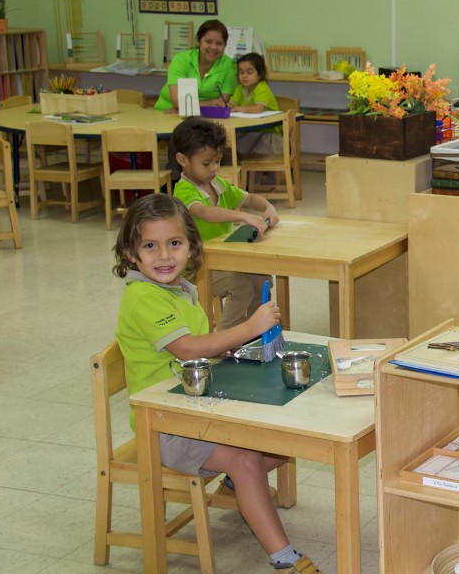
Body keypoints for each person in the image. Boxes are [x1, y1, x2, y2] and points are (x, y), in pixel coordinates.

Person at [111, 193, 316, 573]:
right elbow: (187, 348)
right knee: (246, 458)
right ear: (130, 253)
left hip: (192, 408)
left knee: (280, 443)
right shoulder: (142, 298)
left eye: (175, 244)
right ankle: (285, 559)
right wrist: (247, 328)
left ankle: (237, 487)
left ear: (191, 245)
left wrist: (235, 347)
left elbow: (199, 350)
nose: (165, 256)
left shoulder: (179, 290)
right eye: (150, 246)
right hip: (162, 427)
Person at [172, 116, 280, 331]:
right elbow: (204, 212)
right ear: (183, 160)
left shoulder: (218, 184)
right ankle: (228, 338)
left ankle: (258, 331)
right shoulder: (183, 190)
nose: (214, 168)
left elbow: (249, 199)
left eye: (217, 161)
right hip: (197, 267)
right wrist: (242, 217)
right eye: (206, 163)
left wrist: (269, 207)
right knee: (241, 286)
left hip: (224, 259)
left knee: (262, 279)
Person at [156, 19, 237, 112]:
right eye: (208, 41)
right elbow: (178, 103)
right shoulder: (181, 60)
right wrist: (209, 103)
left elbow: (221, 102)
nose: (213, 47)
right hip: (168, 112)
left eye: (219, 43)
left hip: (206, 115)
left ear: (225, 45)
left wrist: (188, 106)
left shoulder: (229, 65)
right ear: (198, 41)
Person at [230, 52, 284, 158]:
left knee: (237, 145)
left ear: (260, 74)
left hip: (270, 136)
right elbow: (231, 104)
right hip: (251, 132)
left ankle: (252, 171)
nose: (244, 76)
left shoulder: (262, 87)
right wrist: (225, 106)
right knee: (230, 144)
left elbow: (257, 109)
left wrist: (237, 109)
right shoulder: (240, 88)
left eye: (249, 72)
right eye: (241, 72)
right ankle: (238, 170)